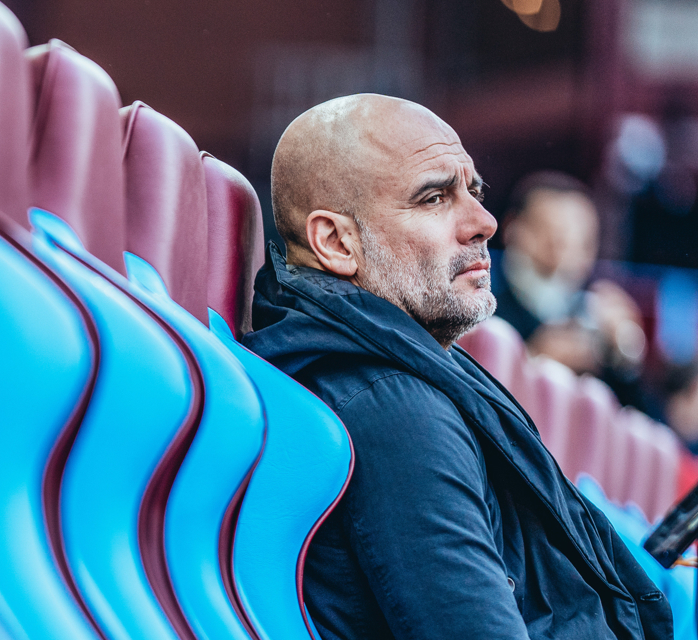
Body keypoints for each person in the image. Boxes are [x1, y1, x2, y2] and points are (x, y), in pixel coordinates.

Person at [242, 94, 671, 639]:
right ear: (335, 242)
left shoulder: (393, 379)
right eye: (434, 197)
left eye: (475, 191)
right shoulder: (396, 410)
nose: (484, 222)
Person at [493, 172, 647, 408]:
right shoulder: (481, 303)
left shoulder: (595, 312)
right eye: (556, 237)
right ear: (512, 229)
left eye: (583, 242)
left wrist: (625, 356)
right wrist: (531, 362)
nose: (568, 255)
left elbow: (641, 422)